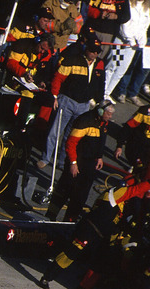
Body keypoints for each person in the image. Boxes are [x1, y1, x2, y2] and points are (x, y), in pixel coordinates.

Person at [39, 176, 150, 289]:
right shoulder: (115, 194)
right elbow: (134, 191)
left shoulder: (124, 202)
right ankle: (47, 277)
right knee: (71, 253)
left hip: (102, 235)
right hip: (89, 229)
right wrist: (148, 184)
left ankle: (85, 286)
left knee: (103, 258)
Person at [37, 37, 105, 170]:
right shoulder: (72, 60)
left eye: (97, 51)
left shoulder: (100, 64)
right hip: (67, 100)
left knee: (72, 135)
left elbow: (101, 84)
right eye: (92, 51)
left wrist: (99, 102)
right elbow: (58, 78)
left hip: (84, 105)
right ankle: (45, 158)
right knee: (55, 132)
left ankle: (62, 162)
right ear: (86, 49)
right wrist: (55, 96)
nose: (95, 54)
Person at [45, 102, 114, 222]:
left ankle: (69, 221)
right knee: (63, 190)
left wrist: (99, 157)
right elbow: (71, 143)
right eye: (108, 114)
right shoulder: (84, 120)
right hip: (77, 162)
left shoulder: (104, 123)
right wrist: (73, 163)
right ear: (101, 111)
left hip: (90, 165)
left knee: (80, 196)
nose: (110, 117)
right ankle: (50, 217)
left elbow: (100, 142)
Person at [104, 0, 150, 104]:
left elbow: (144, 27)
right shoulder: (128, 4)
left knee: (121, 70)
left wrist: (142, 40)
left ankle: (107, 93)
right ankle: (102, 93)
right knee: (112, 66)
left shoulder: (147, 8)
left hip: (133, 47)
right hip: (121, 42)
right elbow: (125, 24)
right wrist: (131, 39)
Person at [116, 104, 150, 174]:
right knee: (139, 167)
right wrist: (119, 145)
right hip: (139, 144)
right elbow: (128, 127)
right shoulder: (144, 112)